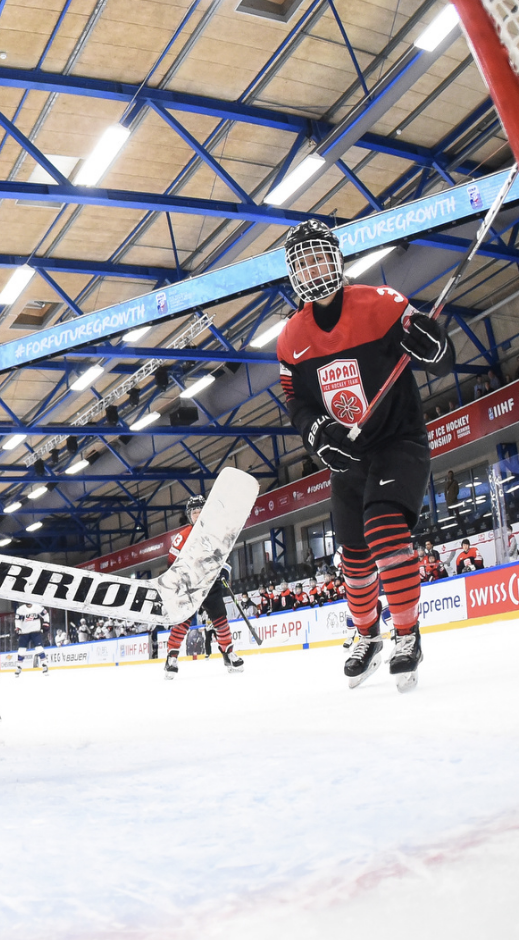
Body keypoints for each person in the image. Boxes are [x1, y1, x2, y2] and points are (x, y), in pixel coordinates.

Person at [275, 220, 451, 692]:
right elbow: (296, 399)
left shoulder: (381, 304)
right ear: (293, 274)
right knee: (352, 558)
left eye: (318, 255)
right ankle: (367, 634)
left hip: (398, 441)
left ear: (336, 258)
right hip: (349, 458)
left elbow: (437, 351)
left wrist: (434, 345)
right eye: (302, 261)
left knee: (384, 529)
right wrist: (315, 432)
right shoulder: (292, 338)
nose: (312, 268)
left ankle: (407, 634)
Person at [160, 496, 244, 679]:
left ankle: (228, 654)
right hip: (188, 586)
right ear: (189, 515)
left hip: (209, 583)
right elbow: (171, 564)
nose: (198, 515)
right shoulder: (182, 536)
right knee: (182, 621)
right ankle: (171, 658)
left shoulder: (214, 534)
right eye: (194, 512)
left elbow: (224, 557)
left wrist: (224, 571)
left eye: (200, 512)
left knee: (220, 619)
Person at [13, 601, 48, 676]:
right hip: (24, 632)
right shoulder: (20, 609)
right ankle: (19, 666)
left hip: (35, 631)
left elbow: (45, 614)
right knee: (21, 650)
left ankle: (44, 665)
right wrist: (18, 627)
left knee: (39, 648)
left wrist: (46, 623)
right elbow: (17, 619)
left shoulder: (38, 607)